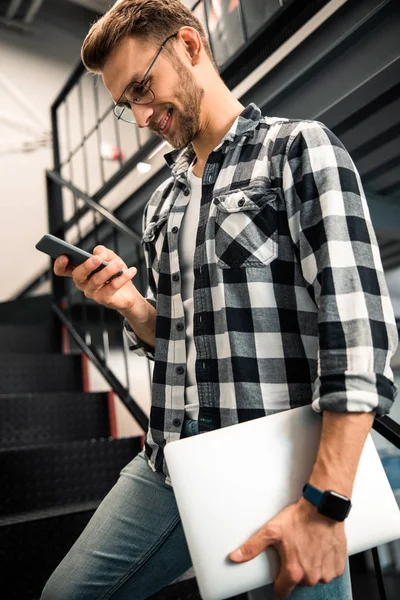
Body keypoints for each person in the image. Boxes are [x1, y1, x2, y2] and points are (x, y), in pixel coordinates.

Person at [41, 1, 398, 599]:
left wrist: (326, 503)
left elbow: (356, 330)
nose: (142, 113)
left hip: (284, 468)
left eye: (142, 88)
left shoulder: (298, 149)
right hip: (172, 462)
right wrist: (131, 305)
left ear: (189, 44)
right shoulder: (163, 203)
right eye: (126, 105)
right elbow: (178, 339)